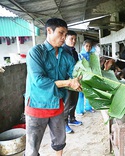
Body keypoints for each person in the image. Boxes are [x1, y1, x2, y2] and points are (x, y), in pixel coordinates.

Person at [24, 18, 82, 156]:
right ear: (49, 31)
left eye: (65, 34)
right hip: (37, 105)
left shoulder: (66, 56)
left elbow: (75, 73)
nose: (64, 37)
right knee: (32, 146)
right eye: (61, 33)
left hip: (57, 104)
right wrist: (68, 83)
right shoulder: (36, 52)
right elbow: (40, 81)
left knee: (59, 140)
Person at [62, 30, 82, 134]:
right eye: (71, 39)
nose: (73, 41)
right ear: (65, 39)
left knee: (74, 100)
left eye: (75, 39)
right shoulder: (62, 51)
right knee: (67, 103)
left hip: (76, 80)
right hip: (67, 81)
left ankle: (72, 118)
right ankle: (64, 124)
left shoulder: (74, 52)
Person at [76, 39, 95, 115]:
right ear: (83, 46)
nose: (88, 47)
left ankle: (88, 107)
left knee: (89, 93)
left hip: (90, 77)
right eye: (86, 46)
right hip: (82, 77)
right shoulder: (80, 55)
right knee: (81, 94)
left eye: (90, 46)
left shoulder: (92, 56)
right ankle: (79, 110)